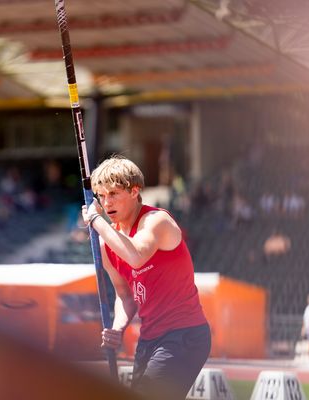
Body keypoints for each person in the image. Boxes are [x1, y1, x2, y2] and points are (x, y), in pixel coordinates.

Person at [81, 156, 211, 400]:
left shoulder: (156, 221)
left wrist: (96, 220)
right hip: (149, 339)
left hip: (184, 334)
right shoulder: (106, 244)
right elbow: (125, 296)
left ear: (134, 191)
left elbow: (137, 256)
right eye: (101, 196)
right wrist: (118, 327)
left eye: (113, 194)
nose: (106, 202)